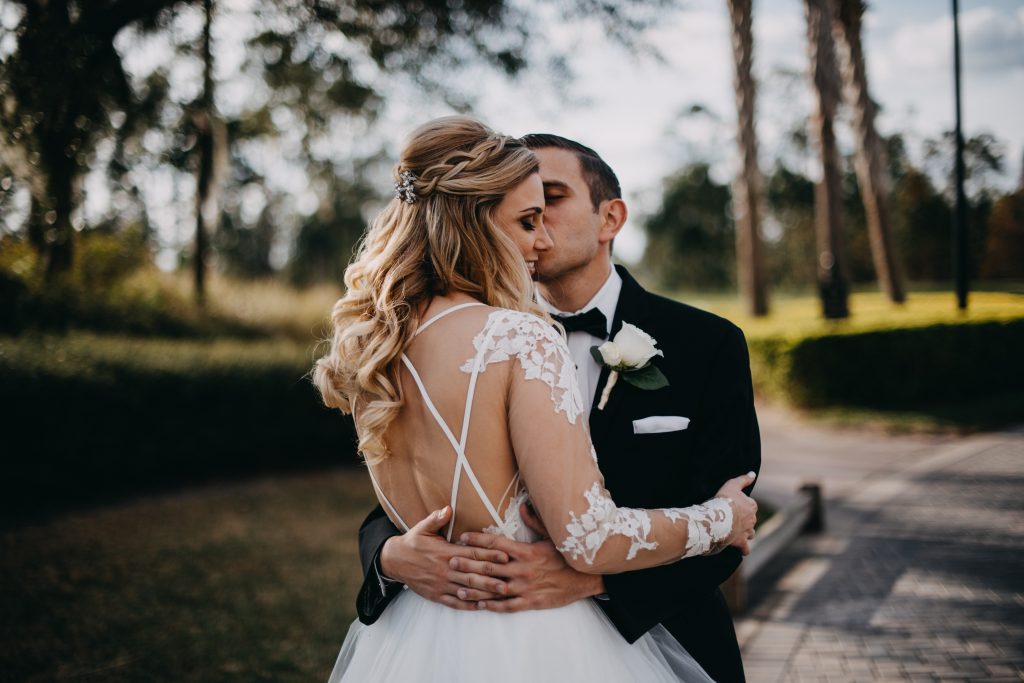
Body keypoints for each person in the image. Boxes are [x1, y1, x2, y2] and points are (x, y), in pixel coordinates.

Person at [314, 115, 758, 682]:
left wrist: (592, 581)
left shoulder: (382, 339)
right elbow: (589, 535)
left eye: (551, 203)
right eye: (528, 217)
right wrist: (725, 517)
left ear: (611, 217)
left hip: (426, 643)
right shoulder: (520, 335)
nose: (541, 234)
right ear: (475, 219)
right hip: (538, 646)